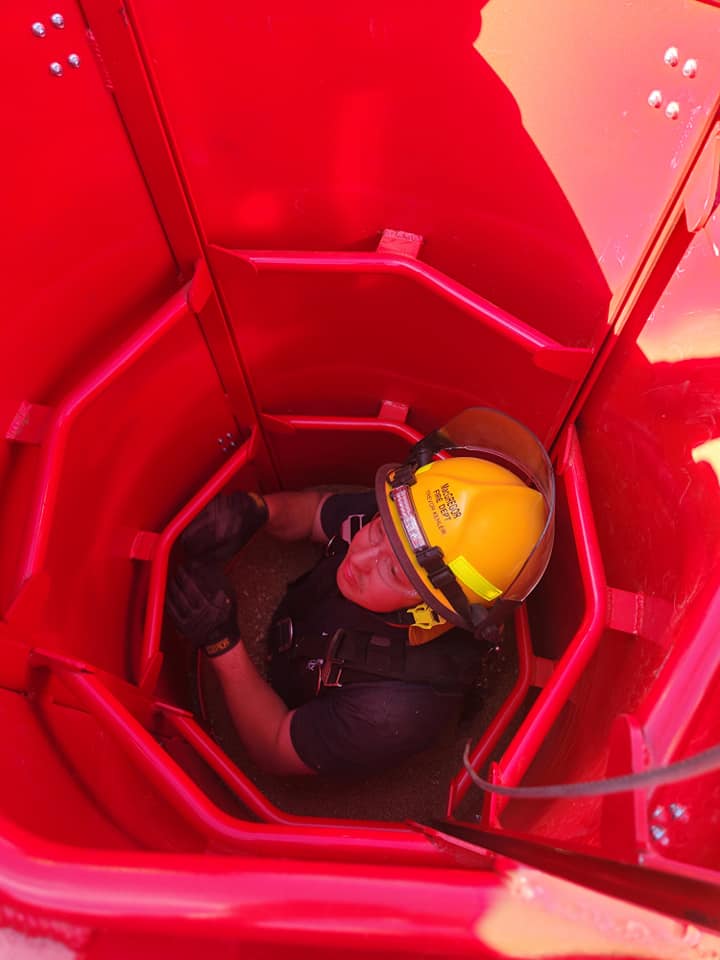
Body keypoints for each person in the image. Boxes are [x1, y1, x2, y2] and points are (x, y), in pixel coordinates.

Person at [166, 408, 555, 777]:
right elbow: (316, 512)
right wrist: (257, 512)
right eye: (379, 530)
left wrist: (222, 645)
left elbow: (274, 746)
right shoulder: (409, 522)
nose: (360, 556)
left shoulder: (392, 710)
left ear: (430, 611)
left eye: (392, 570)